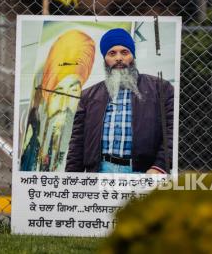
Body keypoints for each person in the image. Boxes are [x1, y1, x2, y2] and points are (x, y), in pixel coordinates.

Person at [66, 28, 174, 174]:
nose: (118, 58)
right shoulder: (88, 96)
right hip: (100, 171)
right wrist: (72, 179)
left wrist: (159, 167)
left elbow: (171, 131)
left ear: (133, 56)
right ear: (105, 59)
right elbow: (77, 143)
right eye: (112, 53)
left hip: (143, 172)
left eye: (124, 52)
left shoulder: (160, 88)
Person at [20, 29, 95, 172]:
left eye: (73, 90)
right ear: (47, 94)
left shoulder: (89, 136)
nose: (64, 104)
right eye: (58, 93)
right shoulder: (31, 141)